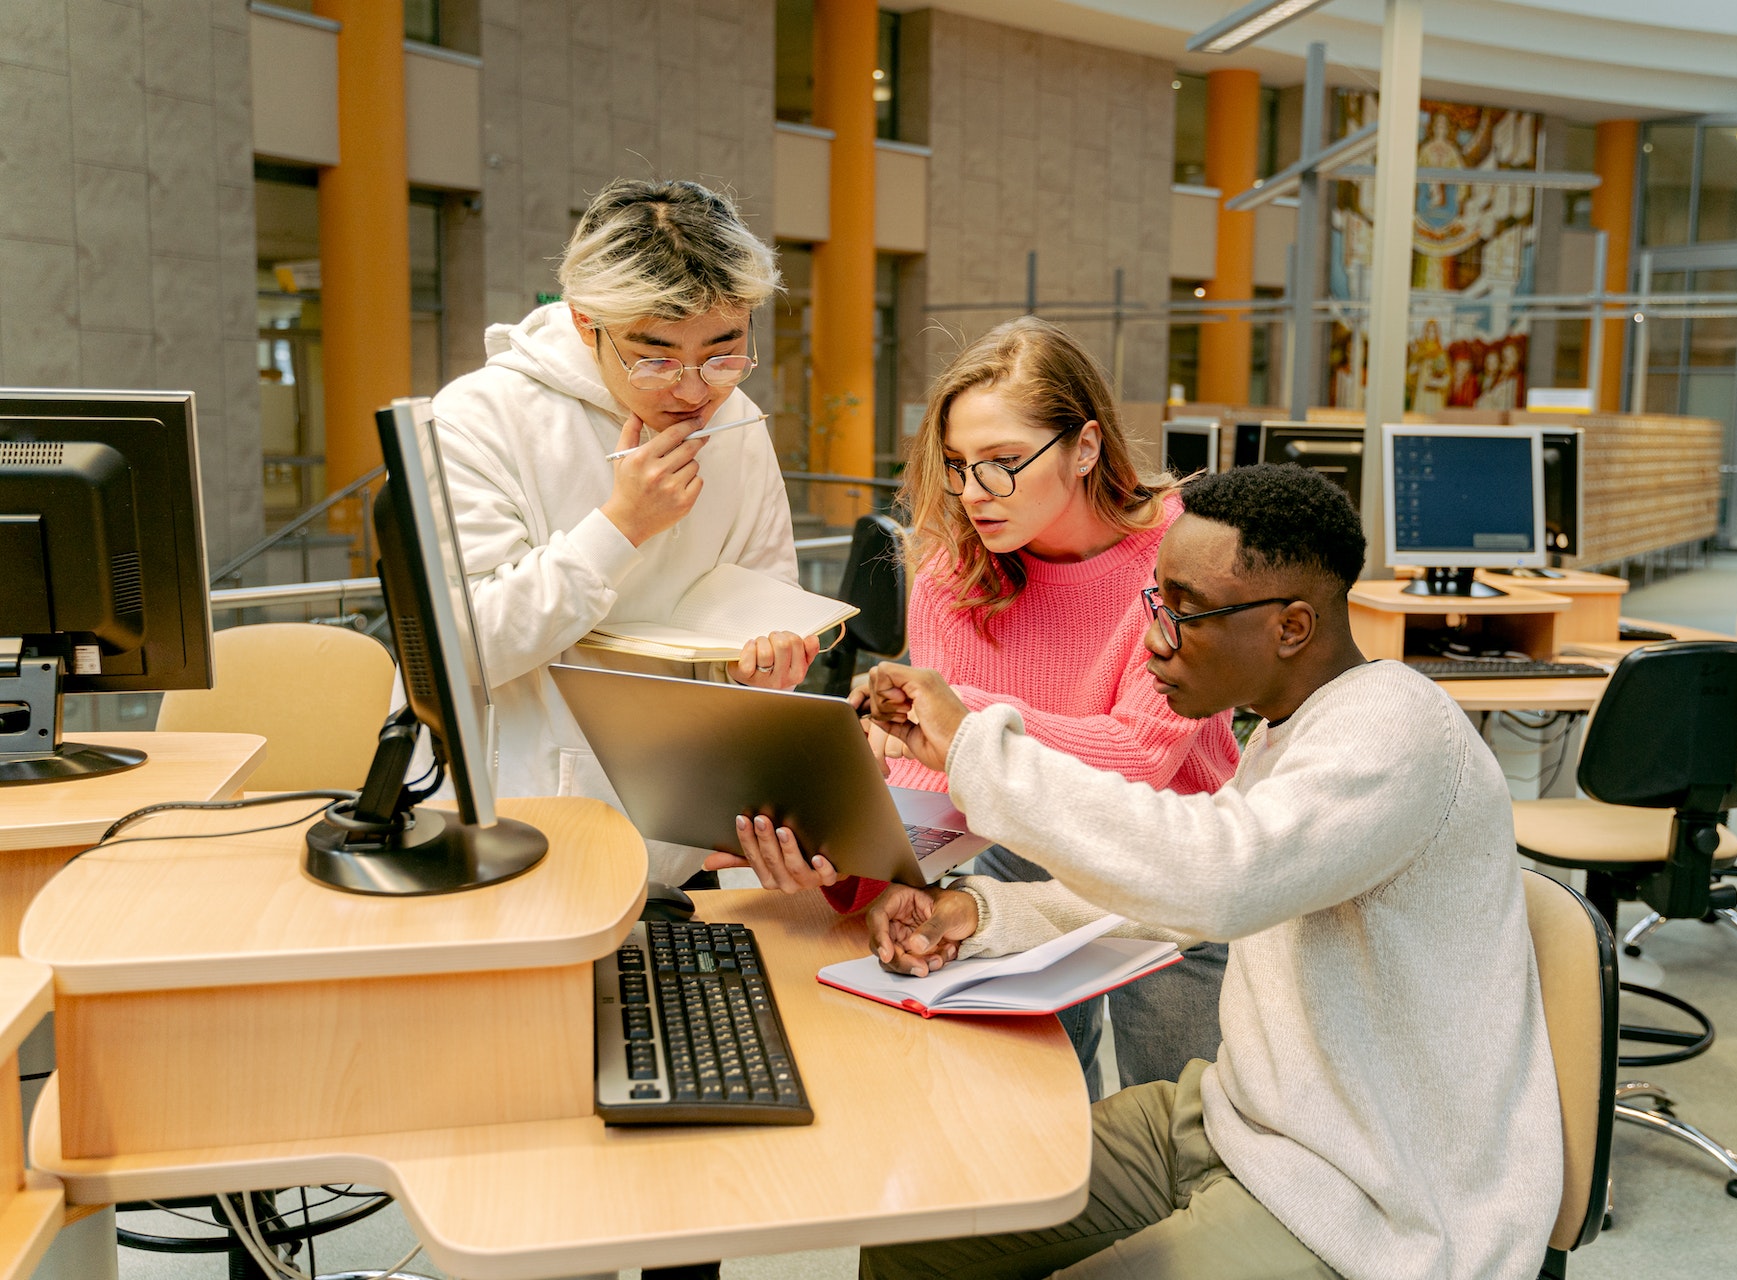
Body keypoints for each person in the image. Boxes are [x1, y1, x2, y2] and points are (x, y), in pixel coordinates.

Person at [841, 463, 1561, 1280]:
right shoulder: (1293, 728)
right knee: (916, 1223)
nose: (1154, 637)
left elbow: (1220, 879)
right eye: (1156, 601)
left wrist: (977, 748)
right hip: (1236, 1122)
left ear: (1292, 627)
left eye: (1185, 612)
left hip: (1371, 1200)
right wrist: (982, 915)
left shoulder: (1395, 731)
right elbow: (1178, 902)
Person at [711, 317, 1240, 1097]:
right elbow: (938, 776)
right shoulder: (955, 572)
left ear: (1086, 447)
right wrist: (883, 870)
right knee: (1033, 1115)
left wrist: (958, 721)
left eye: (1001, 464)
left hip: (1167, 854)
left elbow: (1140, 760)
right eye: (956, 466)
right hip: (1013, 842)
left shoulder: (1182, 554)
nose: (971, 494)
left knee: (1186, 1114)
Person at [432, 178, 817, 889]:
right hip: (519, 830)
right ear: (585, 322)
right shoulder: (480, 417)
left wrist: (766, 664)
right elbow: (461, 647)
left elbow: (769, 599)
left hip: (681, 833)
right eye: (656, 357)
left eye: (724, 352)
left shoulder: (737, 422)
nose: (695, 388)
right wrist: (621, 527)